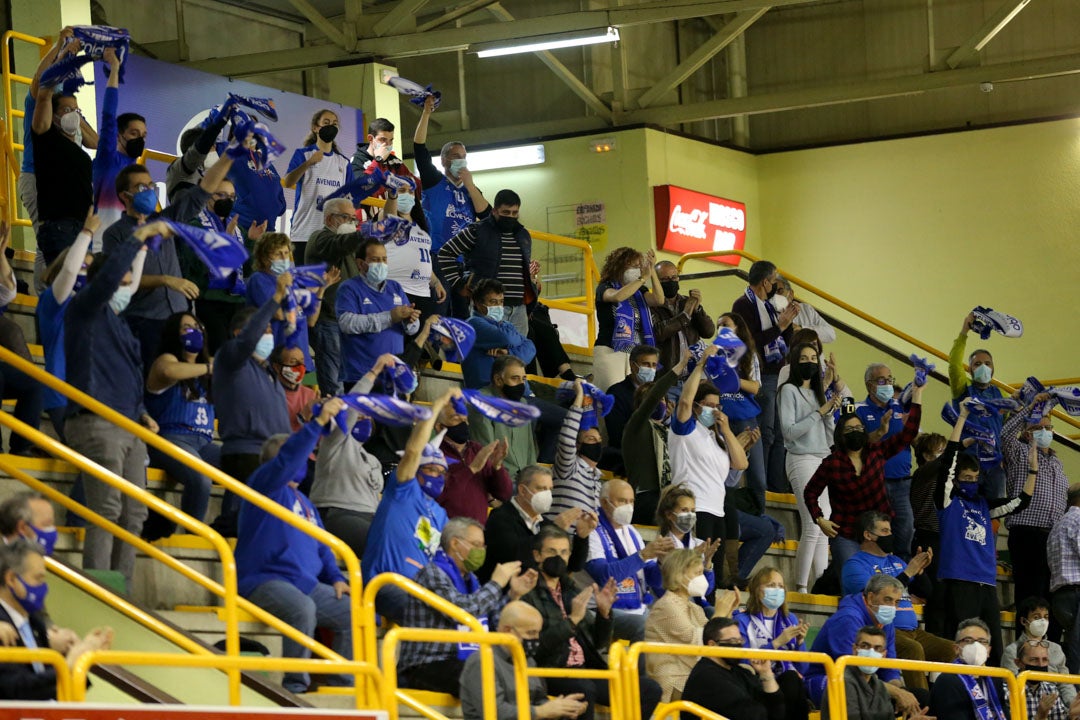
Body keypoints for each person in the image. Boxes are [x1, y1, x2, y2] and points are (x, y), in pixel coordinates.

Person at [64, 223, 159, 590]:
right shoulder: (83, 310)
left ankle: (123, 589)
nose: (126, 288)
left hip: (130, 424)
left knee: (134, 513)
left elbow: (132, 381)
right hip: (96, 420)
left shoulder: (121, 327)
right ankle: (99, 590)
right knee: (105, 509)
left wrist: (143, 414)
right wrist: (136, 241)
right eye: (121, 282)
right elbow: (104, 284)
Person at [237, 398, 353, 695]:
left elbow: (323, 547)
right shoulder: (263, 485)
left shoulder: (306, 503)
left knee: (352, 611)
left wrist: (337, 578)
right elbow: (288, 458)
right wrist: (315, 425)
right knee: (303, 608)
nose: (301, 462)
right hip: (265, 580)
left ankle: (343, 686)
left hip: (306, 582)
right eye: (296, 457)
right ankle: (294, 689)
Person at [102, 152, 235, 370]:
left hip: (180, 319)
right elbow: (119, 279)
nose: (150, 191)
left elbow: (203, 191)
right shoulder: (114, 234)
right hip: (144, 320)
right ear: (124, 196)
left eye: (151, 185)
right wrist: (166, 280)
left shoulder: (164, 221)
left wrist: (229, 156)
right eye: (142, 187)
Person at [523, 525, 661, 720]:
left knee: (650, 689)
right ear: (537, 556)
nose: (558, 557)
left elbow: (599, 643)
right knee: (583, 689)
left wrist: (605, 614)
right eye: (551, 551)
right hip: (549, 670)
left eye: (563, 552)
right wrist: (571, 622)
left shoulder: (570, 591)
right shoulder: (527, 592)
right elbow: (534, 650)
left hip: (585, 670)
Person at [935, 397, 1034, 665]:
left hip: (987, 584)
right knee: (960, 647)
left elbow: (1020, 502)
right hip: (958, 581)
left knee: (993, 652)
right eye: (965, 478)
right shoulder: (948, 500)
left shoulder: (984, 505)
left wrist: (1033, 463)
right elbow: (948, 463)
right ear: (956, 480)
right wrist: (962, 419)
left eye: (974, 479)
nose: (970, 483)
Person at [397, 517, 538, 695]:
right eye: (477, 544)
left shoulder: (472, 580)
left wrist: (513, 594)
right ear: (455, 543)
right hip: (427, 663)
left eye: (483, 546)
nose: (481, 551)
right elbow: (462, 612)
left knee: (523, 676)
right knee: (490, 680)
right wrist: (496, 583)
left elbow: (492, 622)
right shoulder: (432, 574)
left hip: (462, 661)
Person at [805, 371, 924, 572]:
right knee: (853, 576)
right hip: (845, 532)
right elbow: (810, 492)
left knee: (881, 581)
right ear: (841, 436)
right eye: (849, 430)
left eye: (859, 428)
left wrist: (918, 395)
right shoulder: (832, 463)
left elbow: (909, 432)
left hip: (878, 531)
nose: (855, 432)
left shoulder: (877, 452)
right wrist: (819, 519)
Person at [362, 388, 460, 624]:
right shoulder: (403, 490)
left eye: (441, 472)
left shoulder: (440, 514)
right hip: (387, 584)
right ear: (415, 470)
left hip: (421, 592)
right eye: (430, 470)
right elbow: (414, 450)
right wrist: (436, 408)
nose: (437, 476)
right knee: (430, 617)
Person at [211, 276, 293, 537]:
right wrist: (276, 298)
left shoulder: (269, 372)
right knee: (241, 526)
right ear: (238, 334)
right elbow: (248, 340)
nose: (267, 335)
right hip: (245, 454)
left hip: (273, 458)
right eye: (262, 330)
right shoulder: (230, 359)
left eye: (270, 331)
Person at [841, 511, 952, 692]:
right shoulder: (855, 565)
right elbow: (870, 597)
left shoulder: (897, 561)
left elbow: (926, 592)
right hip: (884, 630)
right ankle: (919, 704)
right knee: (913, 650)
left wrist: (921, 571)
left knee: (952, 649)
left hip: (915, 631)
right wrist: (908, 573)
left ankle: (946, 700)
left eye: (890, 531)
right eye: (884, 531)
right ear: (868, 535)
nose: (890, 536)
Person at [671, 342, 749, 589]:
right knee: (692, 574)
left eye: (718, 406)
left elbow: (741, 462)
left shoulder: (717, 438)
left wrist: (725, 428)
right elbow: (683, 402)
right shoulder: (685, 430)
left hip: (717, 512)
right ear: (697, 406)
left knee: (712, 573)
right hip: (694, 509)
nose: (714, 411)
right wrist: (700, 366)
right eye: (709, 405)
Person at [0, 541, 114, 700]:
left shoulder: (34, 622)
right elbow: (15, 691)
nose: (43, 587)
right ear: (11, 579)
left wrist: (81, 658)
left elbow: (47, 687)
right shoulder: (2, 627)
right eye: (37, 579)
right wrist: (67, 665)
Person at [308, 354, 396, 559]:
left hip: (370, 517)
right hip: (336, 513)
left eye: (368, 417)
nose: (363, 419)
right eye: (360, 415)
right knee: (382, 545)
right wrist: (373, 373)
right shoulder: (335, 442)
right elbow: (352, 408)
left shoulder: (372, 459)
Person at [412, 96, 490, 317]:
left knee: (464, 316)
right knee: (440, 310)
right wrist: (426, 114)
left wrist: (470, 185)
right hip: (437, 258)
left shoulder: (470, 190)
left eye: (464, 157)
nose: (461, 161)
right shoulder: (434, 180)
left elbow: (486, 216)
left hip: (463, 262)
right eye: (456, 157)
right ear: (444, 160)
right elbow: (419, 148)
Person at [143, 312, 219, 538]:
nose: (194, 331)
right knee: (201, 477)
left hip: (203, 443)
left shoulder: (208, 370)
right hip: (169, 438)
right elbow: (169, 371)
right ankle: (192, 536)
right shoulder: (166, 360)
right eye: (186, 327)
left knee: (241, 465)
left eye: (197, 326)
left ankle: (228, 524)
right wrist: (208, 367)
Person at [804, 575, 923, 716]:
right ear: (871, 597)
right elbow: (852, 674)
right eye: (887, 600)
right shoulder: (847, 619)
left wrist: (901, 691)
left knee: (919, 698)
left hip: (869, 683)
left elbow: (889, 668)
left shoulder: (886, 622)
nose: (892, 607)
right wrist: (896, 692)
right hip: (830, 680)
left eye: (896, 602)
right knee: (854, 692)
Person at [730, 260, 799, 494]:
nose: (775, 286)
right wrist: (779, 327)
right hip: (762, 374)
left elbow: (786, 341)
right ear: (766, 282)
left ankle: (776, 483)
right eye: (774, 281)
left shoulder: (770, 305)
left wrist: (786, 319)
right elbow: (751, 343)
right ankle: (763, 484)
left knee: (780, 433)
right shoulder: (742, 305)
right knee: (766, 431)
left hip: (780, 373)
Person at [779, 341, 842, 591]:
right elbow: (789, 431)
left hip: (822, 458)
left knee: (824, 526)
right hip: (800, 458)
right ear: (795, 362)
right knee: (814, 523)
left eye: (813, 357)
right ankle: (802, 587)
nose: (809, 362)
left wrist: (828, 414)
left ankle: (820, 584)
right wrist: (819, 412)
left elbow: (828, 438)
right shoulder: (788, 391)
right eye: (803, 357)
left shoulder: (819, 394)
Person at [459, 600, 589, 720]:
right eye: (531, 633)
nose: (536, 639)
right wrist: (541, 711)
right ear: (507, 630)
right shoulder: (481, 661)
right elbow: (495, 713)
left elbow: (538, 700)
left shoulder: (528, 661)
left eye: (538, 633)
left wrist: (562, 708)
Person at [181, 176, 264, 355]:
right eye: (222, 195)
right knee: (217, 354)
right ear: (209, 195)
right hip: (209, 302)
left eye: (232, 196)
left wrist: (250, 242)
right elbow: (195, 269)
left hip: (237, 303)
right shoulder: (195, 228)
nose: (227, 200)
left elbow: (246, 269)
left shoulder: (238, 230)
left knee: (238, 355)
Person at [436, 189, 536, 337]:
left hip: (519, 307)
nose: (511, 217)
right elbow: (445, 253)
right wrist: (458, 284)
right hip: (487, 306)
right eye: (506, 212)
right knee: (490, 354)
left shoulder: (523, 235)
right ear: (495, 211)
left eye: (515, 213)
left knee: (519, 354)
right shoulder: (477, 230)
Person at [1003, 392, 1069, 615]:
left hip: (1052, 538)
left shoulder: (1057, 463)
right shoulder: (1019, 453)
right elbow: (1005, 435)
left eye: (1049, 428)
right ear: (1027, 432)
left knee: (1050, 597)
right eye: (1038, 427)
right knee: (1030, 596)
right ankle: (1026, 645)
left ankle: (1046, 646)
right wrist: (1029, 408)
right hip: (1026, 534)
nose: (1045, 432)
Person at [476, 465, 596, 584]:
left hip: (536, 596)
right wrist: (553, 530)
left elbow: (573, 567)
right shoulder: (500, 517)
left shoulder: (545, 523)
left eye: (550, 489)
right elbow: (515, 558)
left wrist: (581, 537)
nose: (548, 494)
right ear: (523, 490)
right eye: (541, 488)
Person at [586, 479, 671, 643]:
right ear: (604, 502)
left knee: (671, 626)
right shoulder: (592, 530)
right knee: (644, 626)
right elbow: (604, 576)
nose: (628, 506)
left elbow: (654, 581)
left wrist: (662, 562)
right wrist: (642, 556)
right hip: (599, 609)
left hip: (638, 607)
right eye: (622, 501)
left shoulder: (632, 532)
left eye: (631, 501)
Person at [303, 197, 366, 395]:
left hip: (348, 321)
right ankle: (332, 422)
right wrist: (365, 233)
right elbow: (340, 244)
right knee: (333, 386)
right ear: (330, 219)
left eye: (353, 219)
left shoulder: (348, 245)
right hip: (327, 320)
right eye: (346, 218)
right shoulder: (320, 238)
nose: (351, 223)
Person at [337, 237, 421, 384]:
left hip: (394, 374)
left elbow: (412, 328)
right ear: (360, 263)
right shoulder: (349, 288)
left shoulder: (395, 288)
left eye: (384, 259)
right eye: (375, 260)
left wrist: (410, 321)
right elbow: (346, 323)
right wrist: (389, 317)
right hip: (361, 375)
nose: (381, 264)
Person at [30, 69, 93, 265]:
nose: (73, 115)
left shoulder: (79, 151)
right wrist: (64, 57)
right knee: (62, 287)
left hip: (81, 227)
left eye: (76, 110)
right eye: (66, 110)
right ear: (53, 114)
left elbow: (98, 141)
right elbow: (43, 97)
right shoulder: (46, 138)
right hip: (60, 227)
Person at [856, 363, 915, 559]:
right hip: (875, 484)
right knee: (874, 535)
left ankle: (902, 576)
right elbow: (856, 446)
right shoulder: (859, 410)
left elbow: (914, 437)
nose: (887, 384)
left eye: (890, 380)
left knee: (906, 531)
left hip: (903, 484)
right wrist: (880, 431)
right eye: (882, 381)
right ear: (869, 385)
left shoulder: (901, 408)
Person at [622, 350, 689, 524]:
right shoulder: (637, 425)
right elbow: (654, 396)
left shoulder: (670, 432)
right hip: (645, 498)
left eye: (663, 400)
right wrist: (679, 367)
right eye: (655, 400)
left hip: (667, 496)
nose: (659, 403)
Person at [247, 232, 328, 373]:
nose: (285, 258)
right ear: (265, 258)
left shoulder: (292, 283)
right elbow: (278, 314)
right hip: (277, 359)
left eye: (286, 252)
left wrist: (321, 291)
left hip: (300, 357)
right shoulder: (259, 280)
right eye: (278, 254)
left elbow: (311, 321)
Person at [949, 311, 1009, 498]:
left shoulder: (1001, 394)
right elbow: (953, 364)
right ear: (970, 369)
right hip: (968, 461)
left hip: (994, 464)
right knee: (966, 507)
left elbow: (1005, 429)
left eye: (987, 363)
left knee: (996, 511)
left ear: (993, 368)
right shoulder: (963, 388)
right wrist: (964, 331)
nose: (983, 367)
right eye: (977, 364)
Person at [680, 616, 787, 720]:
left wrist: (766, 673)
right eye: (732, 641)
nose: (738, 646)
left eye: (740, 641)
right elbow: (753, 714)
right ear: (712, 645)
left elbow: (777, 710)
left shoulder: (739, 672)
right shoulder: (706, 676)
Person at [645, 549, 717, 702]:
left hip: (693, 674)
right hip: (672, 678)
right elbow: (695, 639)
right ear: (678, 575)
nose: (702, 578)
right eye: (697, 573)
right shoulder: (666, 605)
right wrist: (720, 614)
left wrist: (727, 613)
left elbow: (715, 641)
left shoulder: (695, 608)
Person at [90, 49, 144, 241]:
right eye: (134, 133)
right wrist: (114, 68)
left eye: (143, 135)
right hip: (100, 243)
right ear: (119, 135)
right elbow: (108, 115)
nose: (140, 139)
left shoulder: (139, 172)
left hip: (129, 244)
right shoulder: (108, 158)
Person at [283, 108, 353, 255]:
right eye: (326, 123)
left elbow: (349, 198)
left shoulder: (344, 163)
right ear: (315, 128)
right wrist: (308, 163)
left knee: (332, 278)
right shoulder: (303, 154)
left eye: (334, 123)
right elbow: (288, 182)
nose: (331, 126)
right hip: (304, 232)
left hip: (333, 234)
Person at [592, 247, 661, 392]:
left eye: (639, 266)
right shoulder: (605, 286)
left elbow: (658, 299)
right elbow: (617, 296)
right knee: (611, 394)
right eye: (633, 266)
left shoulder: (639, 292)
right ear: (619, 267)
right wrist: (642, 278)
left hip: (635, 353)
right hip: (610, 350)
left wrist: (652, 270)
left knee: (633, 399)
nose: (637, 270)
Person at [717, 312, 767, 513]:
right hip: (722, 419)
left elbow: (756, 387)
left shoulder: (748, 354)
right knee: (730, 472)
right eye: (719, 326)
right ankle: (730, 517)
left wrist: (733, 381)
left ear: (738, 328)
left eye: (726, 325)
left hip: (747, 418)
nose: (722, 329)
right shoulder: (714, 353)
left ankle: (761, 516)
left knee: (758, 476)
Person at [434, 400, 512, 524]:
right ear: (439, 427)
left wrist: (497, 467)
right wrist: (471, 469)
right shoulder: (432, 455)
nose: (464, 424)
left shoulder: (477, 450)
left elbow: (504, 493)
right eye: (456, 419)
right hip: (445, 531)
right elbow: (440, 495)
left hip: (476, 532)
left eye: (465, 420)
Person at [380, 179, 446, 323]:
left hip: (422, 290)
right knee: (401, 336)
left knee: (422, 336)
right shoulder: (384, 216)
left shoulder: (421, 225)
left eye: (410, 191)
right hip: (399, 288)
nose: (407, 195)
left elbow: (424, 259)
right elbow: (389, 217)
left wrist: (435, 282)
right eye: (402, 191)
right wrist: (392, 196)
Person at [468, 355, 539, 478]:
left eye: (523, 379)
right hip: (496, 478)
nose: (521, 384)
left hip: (522, 482)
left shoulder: (522, 403)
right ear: (498, 380)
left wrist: (531, 480)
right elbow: (486, 453)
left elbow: (530, 451)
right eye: (515, 378)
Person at [734, 567, 810, 680]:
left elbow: (803, 669)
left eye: (780, 586)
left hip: (788, 681)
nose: (776, 590)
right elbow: (743, 663)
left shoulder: (790, 619)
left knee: (792, 678)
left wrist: (800, 643)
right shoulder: (742, 620)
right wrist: (776, 643)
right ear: (757, 590)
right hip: (757, 681)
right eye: (771, 585)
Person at [652, 485, 721, 603]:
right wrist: (688, 561)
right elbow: (661, 590)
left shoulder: (699, 545)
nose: (690, 515)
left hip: (697, 606)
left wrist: (707, 562)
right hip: (672, 606)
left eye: (693, 511)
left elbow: (706, 590)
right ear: (669, 514)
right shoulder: (659, 548)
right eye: (684, 510)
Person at [463, 278, 536, 389]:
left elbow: (531, 348)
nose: (499, 306)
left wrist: (508, 352)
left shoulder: (505, 325)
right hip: (491, 392)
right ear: (478, 304)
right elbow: (506, 338)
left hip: (517, 391)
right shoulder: (473, 324)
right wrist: (518, 343)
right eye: (493, 302)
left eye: (501, 302)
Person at [929, 618, 1008, 720]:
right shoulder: (947, 681)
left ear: (988, 650)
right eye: (968, 640)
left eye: (982, 641)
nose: (976, 645)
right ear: (956, 649)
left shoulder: (995, 680)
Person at [1003, 596, 1076, 704]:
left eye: (1045, 617)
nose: (1043, 621)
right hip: (1028, 704)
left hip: (1057, 706)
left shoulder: (1056, 649)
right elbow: (1014, 687)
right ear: (1023, 621)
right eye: (1036, 617)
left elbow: (1065, 683)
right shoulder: (1012, 651)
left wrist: (1073, 705)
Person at [908, 431, 948, 632]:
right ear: (926, 455)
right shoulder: (922, 475)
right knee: (936, 597)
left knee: (944, 596)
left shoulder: (944, 478)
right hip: (928, 536)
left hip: (944, 537)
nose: (944, 456)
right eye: (940, 452)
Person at [549, 380, 604, 520]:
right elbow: (567, 439)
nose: (597, 444)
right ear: (578, 444)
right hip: (559, 537)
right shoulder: (569, 467)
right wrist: (580, 396)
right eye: (591, 439)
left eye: (599, 440)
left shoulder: (599, 480)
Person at [651, 261, 716, 378]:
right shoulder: (652, 306)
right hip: (667, 377)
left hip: (694, 376)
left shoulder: (687, 302)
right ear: (656, 281)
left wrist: (697, 309)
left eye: (674, 277)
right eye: (665, 279)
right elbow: (659, 333)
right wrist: (685, 314)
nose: (671, 282)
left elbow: (709, 331)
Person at [823, 626, 901, 720]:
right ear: (855, 649)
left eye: (877, 648)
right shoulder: (843, 681)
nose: (871, 653)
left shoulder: (880, 687)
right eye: (865, 646)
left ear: (884, 655)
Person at [605, 344, 660, 451]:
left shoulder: (657, 393)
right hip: (625, 454)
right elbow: (616, 435)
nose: (651, 369)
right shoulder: (616, 393)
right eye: (646, 364)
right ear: (633, 365)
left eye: (654, 365)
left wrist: (666, 418)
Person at [1049, 484, 1080, 673]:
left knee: (1074, 647)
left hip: (1060, 597)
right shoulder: (1078, 520)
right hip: (1077, 592)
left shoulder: (1059, 523)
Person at [351, 117, 419, 199]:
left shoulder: (395, 161)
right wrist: (378, 160)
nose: (388, 144)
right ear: (370, 139)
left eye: (391, 140)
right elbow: (361, 187)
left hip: (391, 209)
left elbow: (418, 187)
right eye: (383, 139)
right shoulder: (357, 160)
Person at [1013, 638, 1080, 720]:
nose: (1041, 665)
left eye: (1044, 660)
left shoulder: (1051, 690)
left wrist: (1071, 717)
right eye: (1034, 660)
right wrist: (1039, 717)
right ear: (1018, 663)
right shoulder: (1007, 691)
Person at [270, 345, 318, 434]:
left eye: (302, 361)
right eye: (293, 362)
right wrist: (302, 416)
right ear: (277, 367)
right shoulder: (269, 395)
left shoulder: (310, 394)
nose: (300, 367)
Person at [773, 277, 836, 344]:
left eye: (780, 291)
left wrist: (801, 329)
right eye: (772, 293)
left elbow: (831, 334)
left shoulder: (805, 309)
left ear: (791, 294)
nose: (775, 296)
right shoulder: (769, 314)